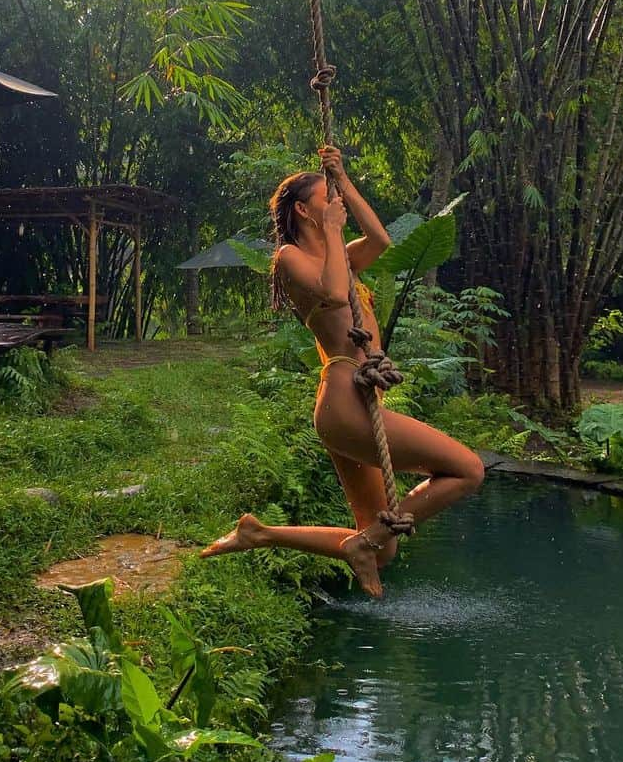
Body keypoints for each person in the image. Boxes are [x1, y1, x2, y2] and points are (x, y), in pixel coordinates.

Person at [203, 145, 484, 598]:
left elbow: (381, 241)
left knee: (383, 550)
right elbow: (334, 295)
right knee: (468, 469)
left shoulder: (345, 256)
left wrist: (345, 181)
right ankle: (361, 543)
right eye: (325, 198)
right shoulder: (290, 257)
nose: (335, 204)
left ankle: (260, 534)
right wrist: (333, 231)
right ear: (302, 210)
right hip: (342, 402)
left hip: (357, 401)